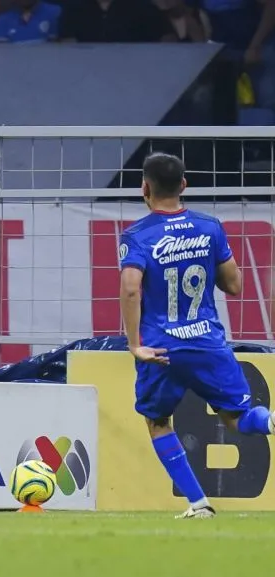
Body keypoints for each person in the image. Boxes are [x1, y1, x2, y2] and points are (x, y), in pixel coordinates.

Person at [118, 152, 273, 519]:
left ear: (145, 187)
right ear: (184, 185)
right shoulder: (210, 227)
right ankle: (270, 421)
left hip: (161, 349)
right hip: (206, 341)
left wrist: (135, 344)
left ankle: (198, 503)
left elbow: (130, 289)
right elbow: (234, 285)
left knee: (158, 421)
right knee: (237, 418)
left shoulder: (137, 235)